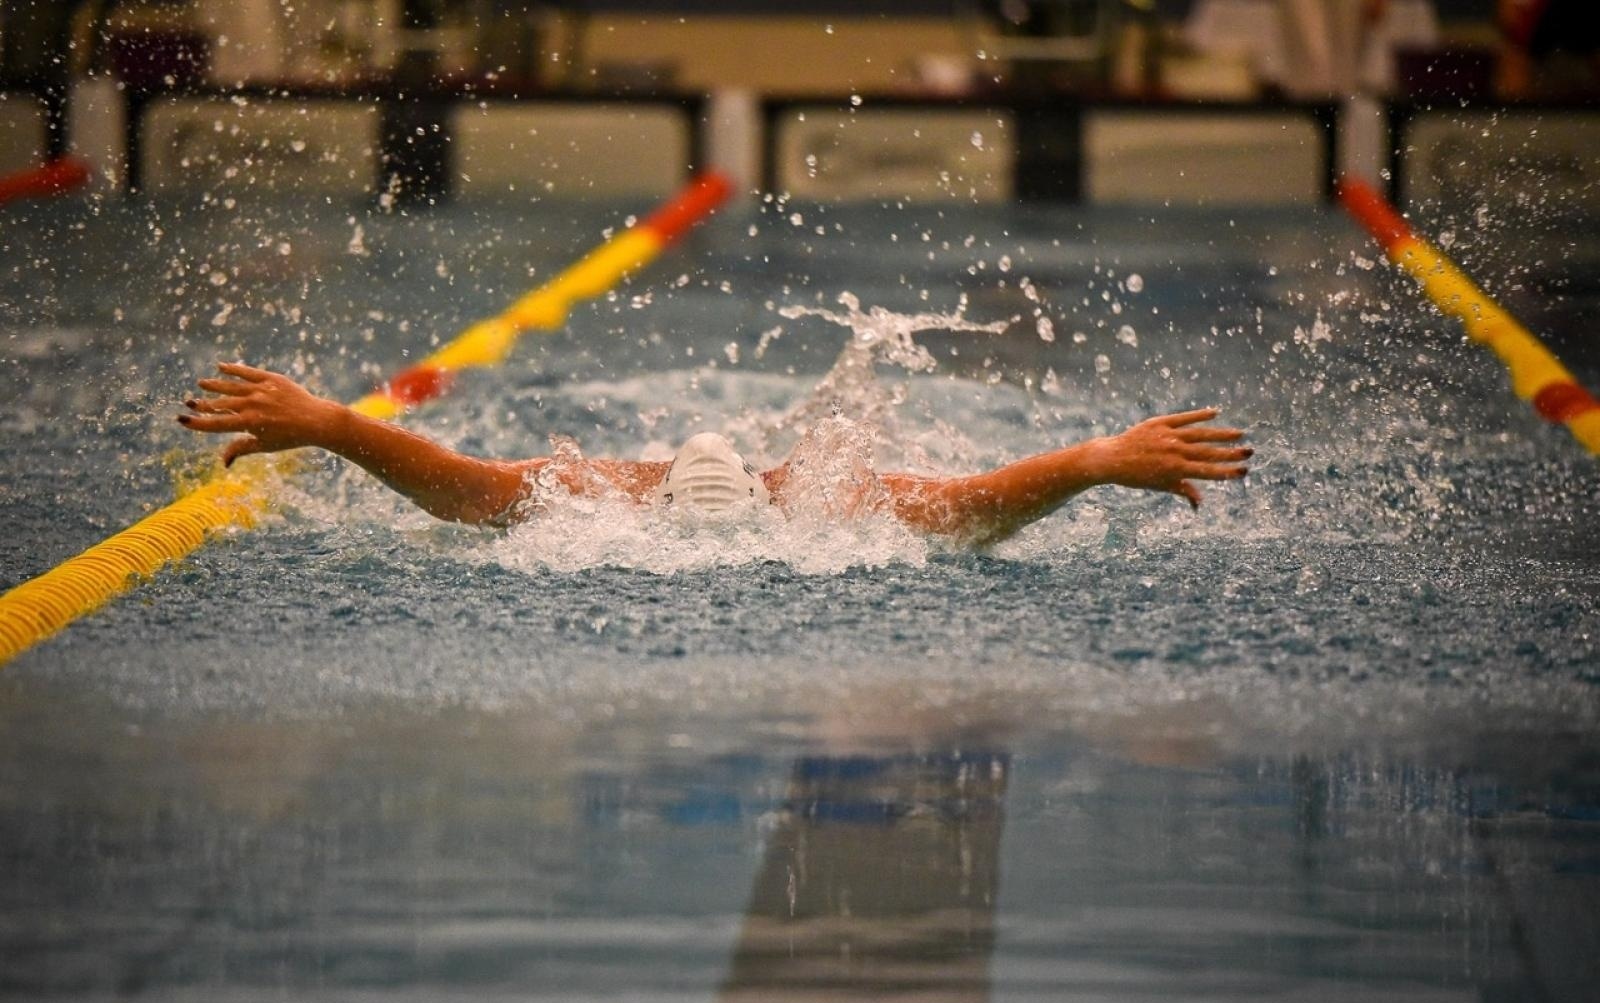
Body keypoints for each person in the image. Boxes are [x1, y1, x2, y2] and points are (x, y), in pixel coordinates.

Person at [178, 362, 1251, 546]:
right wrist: (1100, 455)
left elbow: (457, 490)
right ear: (765, 486)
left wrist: (335, 425)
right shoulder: (836, 504)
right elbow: (984, 502)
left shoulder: (597, 496)